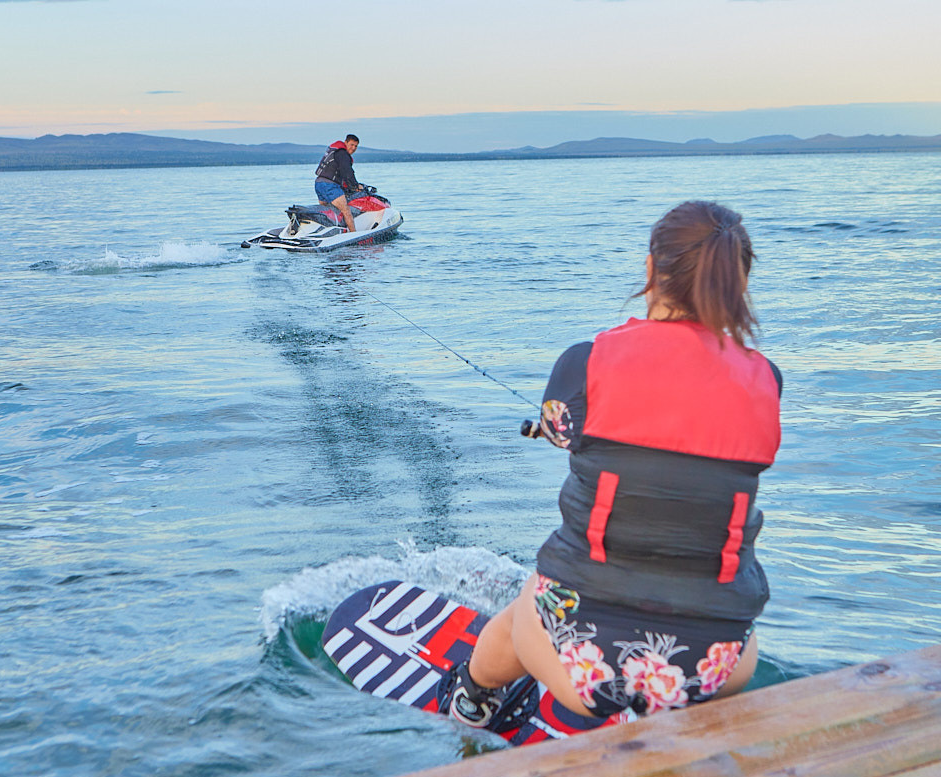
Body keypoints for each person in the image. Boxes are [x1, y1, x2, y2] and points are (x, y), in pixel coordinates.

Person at [440, 200, 783, 728]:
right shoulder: (767, 380)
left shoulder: (585, 361)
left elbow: (558, 429)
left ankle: (471, 700)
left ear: (651, 270)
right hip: (718, 665)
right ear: (737, 281)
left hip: (586, 668)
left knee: (520, 612)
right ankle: (658, 706)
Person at [314, 133, 362, 233]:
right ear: (346, 143)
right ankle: (354, 234)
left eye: (356, 146)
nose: (353, 148)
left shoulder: (335, 152)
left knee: (328, 211)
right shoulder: (343, 154)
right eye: (351, 145)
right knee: (346, 211)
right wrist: (355, 186)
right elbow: (347, 172)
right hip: (329, 185)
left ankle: (329, 232)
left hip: (319, 184)